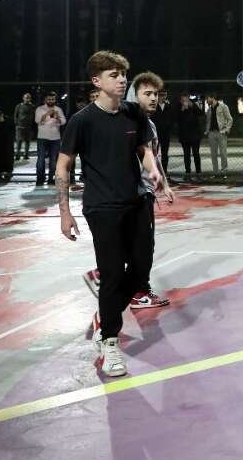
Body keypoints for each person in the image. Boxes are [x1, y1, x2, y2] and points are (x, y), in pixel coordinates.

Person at [56, 51, 161, 377]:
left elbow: (143, 149)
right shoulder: (82, 121)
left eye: (123, 74)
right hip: (102, 208)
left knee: (141, 269)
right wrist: (65, 213)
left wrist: (153, 169)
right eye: (114, 75)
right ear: (96, 81)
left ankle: (107, 307)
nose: (121, 79)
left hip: (136, 203)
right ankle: (110, 340)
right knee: (113, 273)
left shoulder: (133, 113)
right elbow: (63, 166)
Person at [82, 71, 174, 311]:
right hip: (133, 193)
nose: (154, 98)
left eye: (156, 94)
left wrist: (164, 183)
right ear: (134, 95)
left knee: (136, 244)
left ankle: (108, 277)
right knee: (142, 247)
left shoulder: (146, 122)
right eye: (148, 94)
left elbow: (154, 157)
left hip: (143, 191)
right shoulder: (130, 122)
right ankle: (136, 291)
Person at [34, 91, 66, 185]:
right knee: (41, 159)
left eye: (53, 99)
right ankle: (40, 178)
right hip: (42, 137)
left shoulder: (58, 109)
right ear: (45, 100)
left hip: (55, 138)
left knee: (53, 160)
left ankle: (51, 178)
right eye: (49, 99)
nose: (51, 101)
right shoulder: (40, 109)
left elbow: (64, 121)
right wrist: (46, 114)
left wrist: (58, 117)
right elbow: (37, 120)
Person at [204, 92, 233, 178]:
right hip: (211, 133)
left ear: (212, 98)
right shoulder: (209, 109)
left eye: (207, 99)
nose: (206, 101)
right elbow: (208, 121)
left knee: (223, 153)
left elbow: (230, 119)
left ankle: (224, 171)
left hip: (221, 132)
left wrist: (226, 130)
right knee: (213, 154)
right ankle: (215, 172)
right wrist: (207, 131)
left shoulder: (223, 106)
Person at [177, 92, 204, 179]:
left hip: (195, 135)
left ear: (188, 100)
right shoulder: (178, 107)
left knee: (196, 154)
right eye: (183, 100)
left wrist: (192, 106)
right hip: (184, 136)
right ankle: (188, 173)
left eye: (186, 100)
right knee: (186, 155)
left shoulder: (194, 106)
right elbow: (175, 118)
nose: (184, 102)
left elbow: (201, 113)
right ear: (180, 101)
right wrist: (182, 110)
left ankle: (198, 172)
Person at [13, 92, 35, 160]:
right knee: (19, 141)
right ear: (23, 98)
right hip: (20, 127)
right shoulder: (19, 106)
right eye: (26, 98)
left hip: (28, 126)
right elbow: (15, 115)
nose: (27, 99)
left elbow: (34, 115)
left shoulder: (32, 106)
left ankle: (26, 155)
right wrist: (17, 124)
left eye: (28, 98)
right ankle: (18, 155)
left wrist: (32, 124)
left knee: (27, 141)